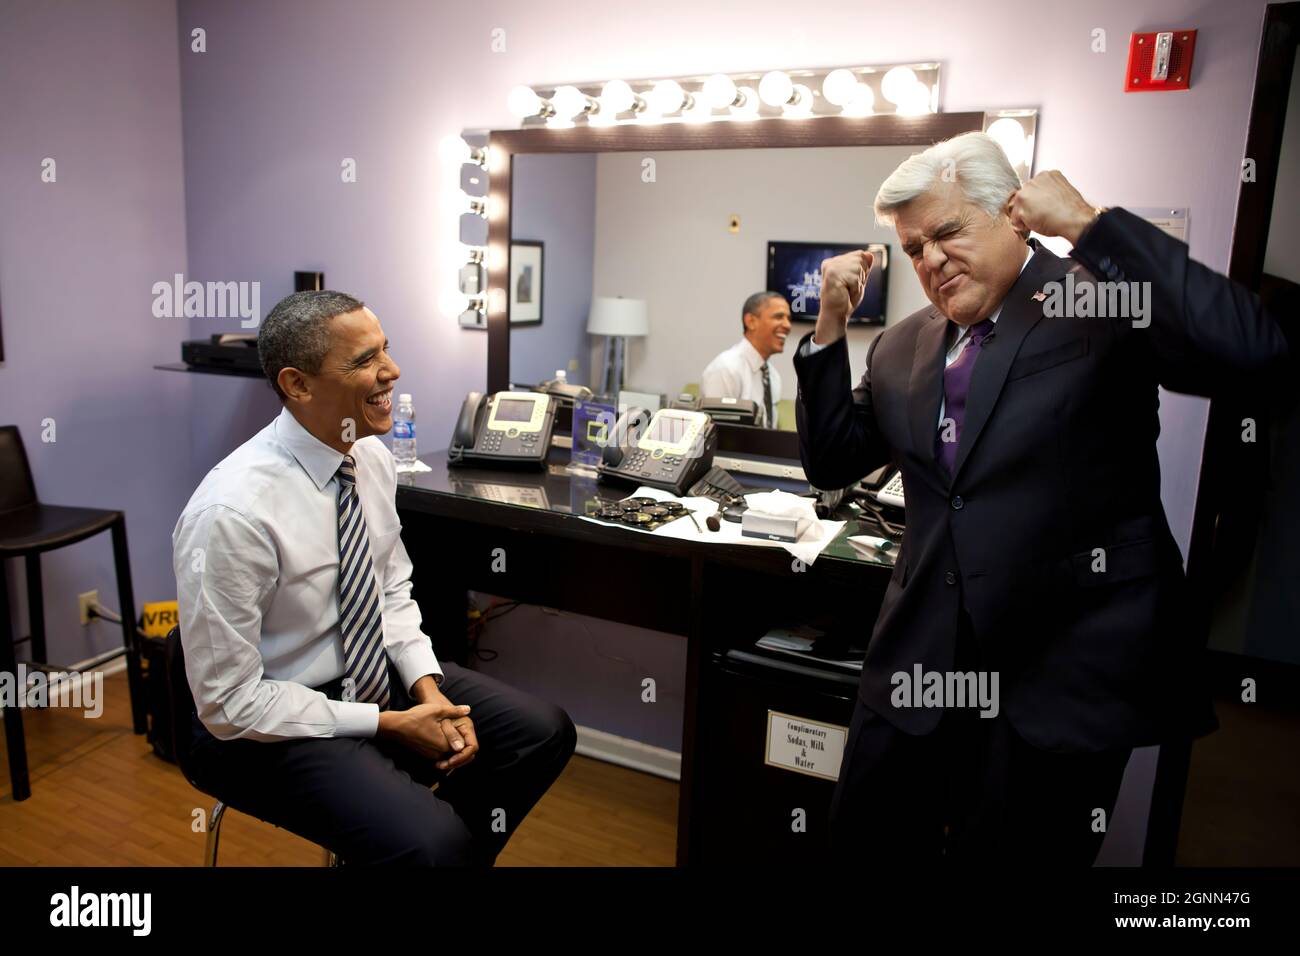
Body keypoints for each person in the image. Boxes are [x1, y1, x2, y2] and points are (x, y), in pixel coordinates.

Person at [794, 133, 1292, 864]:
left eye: (948, 232)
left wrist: (1093, 225)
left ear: (1016, 215)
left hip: (1059, 677)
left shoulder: (1096, 297)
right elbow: (832, 458)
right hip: (921, 667)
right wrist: (830, 325)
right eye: (913, 248)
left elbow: (1255, 354)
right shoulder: (901, 345)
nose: (930, 260)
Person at [173, 290, 576, 866]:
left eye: (385, 349)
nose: (392, 370)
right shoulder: (233, 513)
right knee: (433, 845)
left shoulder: (369, 458)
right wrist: (388, 723)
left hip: (363, 678)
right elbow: (229, 702)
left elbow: (388, 589)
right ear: (298, 385)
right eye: (364, 360)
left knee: (540, 732)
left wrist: (428, 693)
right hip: (259, 723)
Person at [701, 291, 792, 426]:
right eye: (778, 317)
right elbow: (717, 435)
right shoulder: (726, 369)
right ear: (751, 321)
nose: (787, 325)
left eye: (788, 319)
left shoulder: (773, 376)